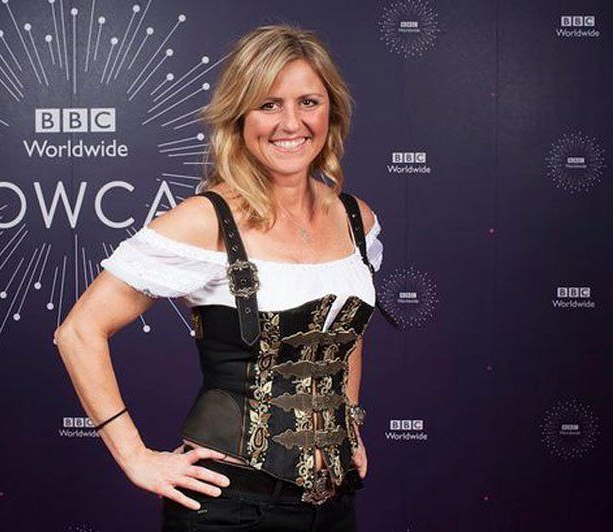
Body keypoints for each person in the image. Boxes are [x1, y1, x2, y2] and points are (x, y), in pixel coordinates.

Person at [54, 24, 387, 531]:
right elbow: (78, 332)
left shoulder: (356, 219)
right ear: (240, 117)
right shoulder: (205, 221)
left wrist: (350, 418)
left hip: (335, 504)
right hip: (231, 507)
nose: (291, 122)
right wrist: (136, 457)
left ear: (331, 112)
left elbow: (345, 331)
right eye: (269, 104)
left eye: (308, 102)